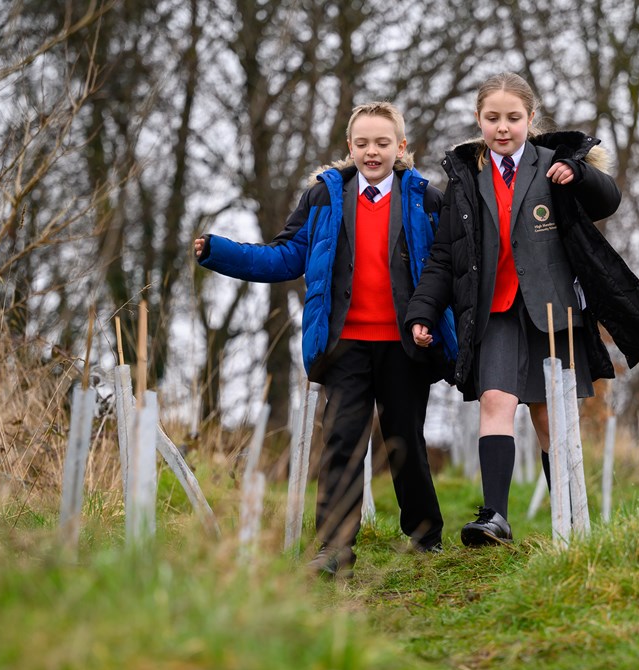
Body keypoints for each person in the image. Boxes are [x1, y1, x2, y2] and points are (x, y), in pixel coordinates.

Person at [407, 72, 639, 546]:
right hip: (493, 312)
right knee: (495, 402)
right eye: (492, 118)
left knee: (550, 417)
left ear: (531, 119)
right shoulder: (464, 179)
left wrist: (581, 173)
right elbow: (444, 257)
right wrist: (423, 312)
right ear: (479, 120)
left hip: (554, 311)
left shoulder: (556, 163)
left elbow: (608, 199)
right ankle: (495, 517)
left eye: (513, 117)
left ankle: (571, 522)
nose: (503, 127)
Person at [194, 101, 456, 578]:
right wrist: (220, 252)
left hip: (406, 344)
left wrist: (436, 324)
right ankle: (334, 547)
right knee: (342, 442)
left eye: (382, 143)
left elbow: (443, 270)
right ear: (349, 148)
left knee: (405, 440)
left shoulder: (426, 199)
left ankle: (425, 537)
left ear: (400, 148)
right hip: (344, 344)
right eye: (362, 143)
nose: (371, 152)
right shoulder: (322, 197)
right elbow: (285, 257)